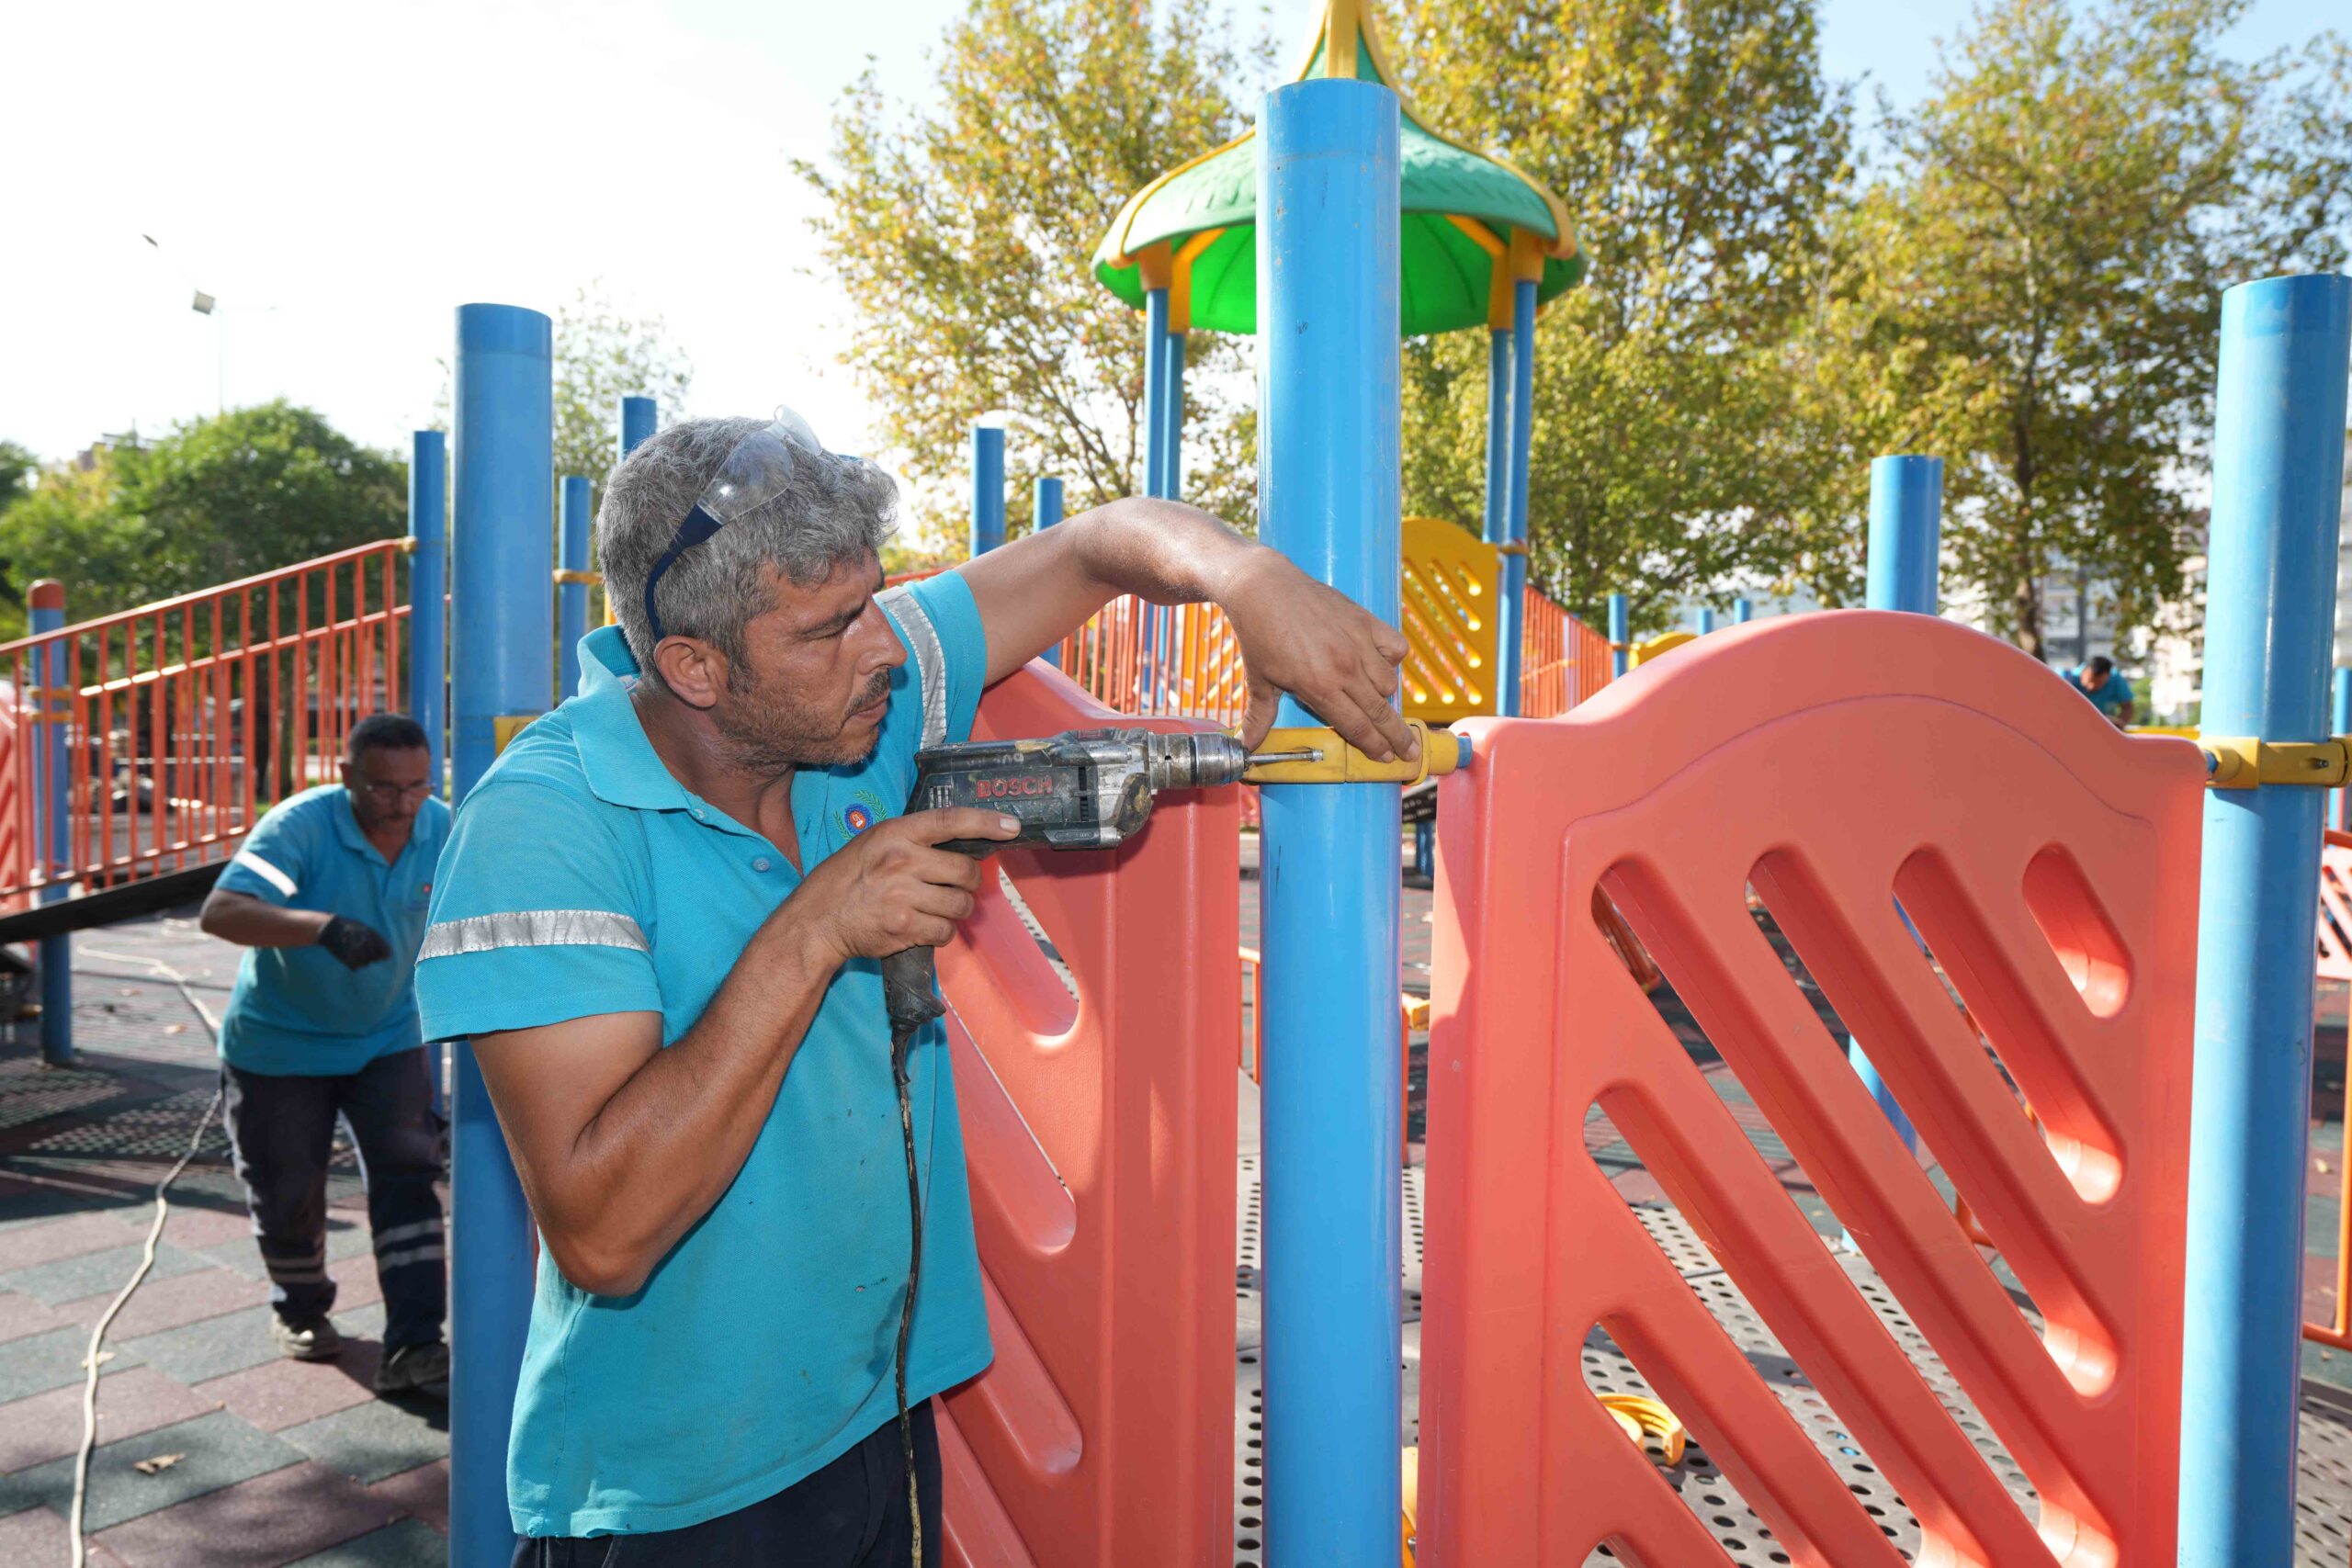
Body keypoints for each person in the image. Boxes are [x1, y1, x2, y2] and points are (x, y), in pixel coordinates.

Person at [414, 410, 1414, 1565]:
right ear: (694, 666)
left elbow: (1097, 545)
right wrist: (814, 929)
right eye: (831, 629)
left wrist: (1243, 576)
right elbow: (602, 1234)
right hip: (675, 1484)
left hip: (876, 1411)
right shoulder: (541, 827)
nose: (883, 647)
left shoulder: (855, 716)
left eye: (875, 602)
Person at [200, 713, 452, 1396]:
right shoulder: (299, 826)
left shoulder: (442, 828)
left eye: (415, 786)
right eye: (381, 788)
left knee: (409, 1179)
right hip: (281, 1043)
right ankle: (302, 1308)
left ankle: (417, 1342)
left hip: (387, 1038)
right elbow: (221, 911)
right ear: (345, 777)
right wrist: (320, 927)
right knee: (288, 1188)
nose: (401, 804)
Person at [2064, 654, 2137, 728]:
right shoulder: (2068, 679)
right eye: (2090, 681)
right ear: (2084, 672)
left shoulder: (2116, 680)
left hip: (2105, 729)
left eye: (2099, 682)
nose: (2092, 687)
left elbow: (2127, 708)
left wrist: (2118, 725)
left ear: (2108, 676)